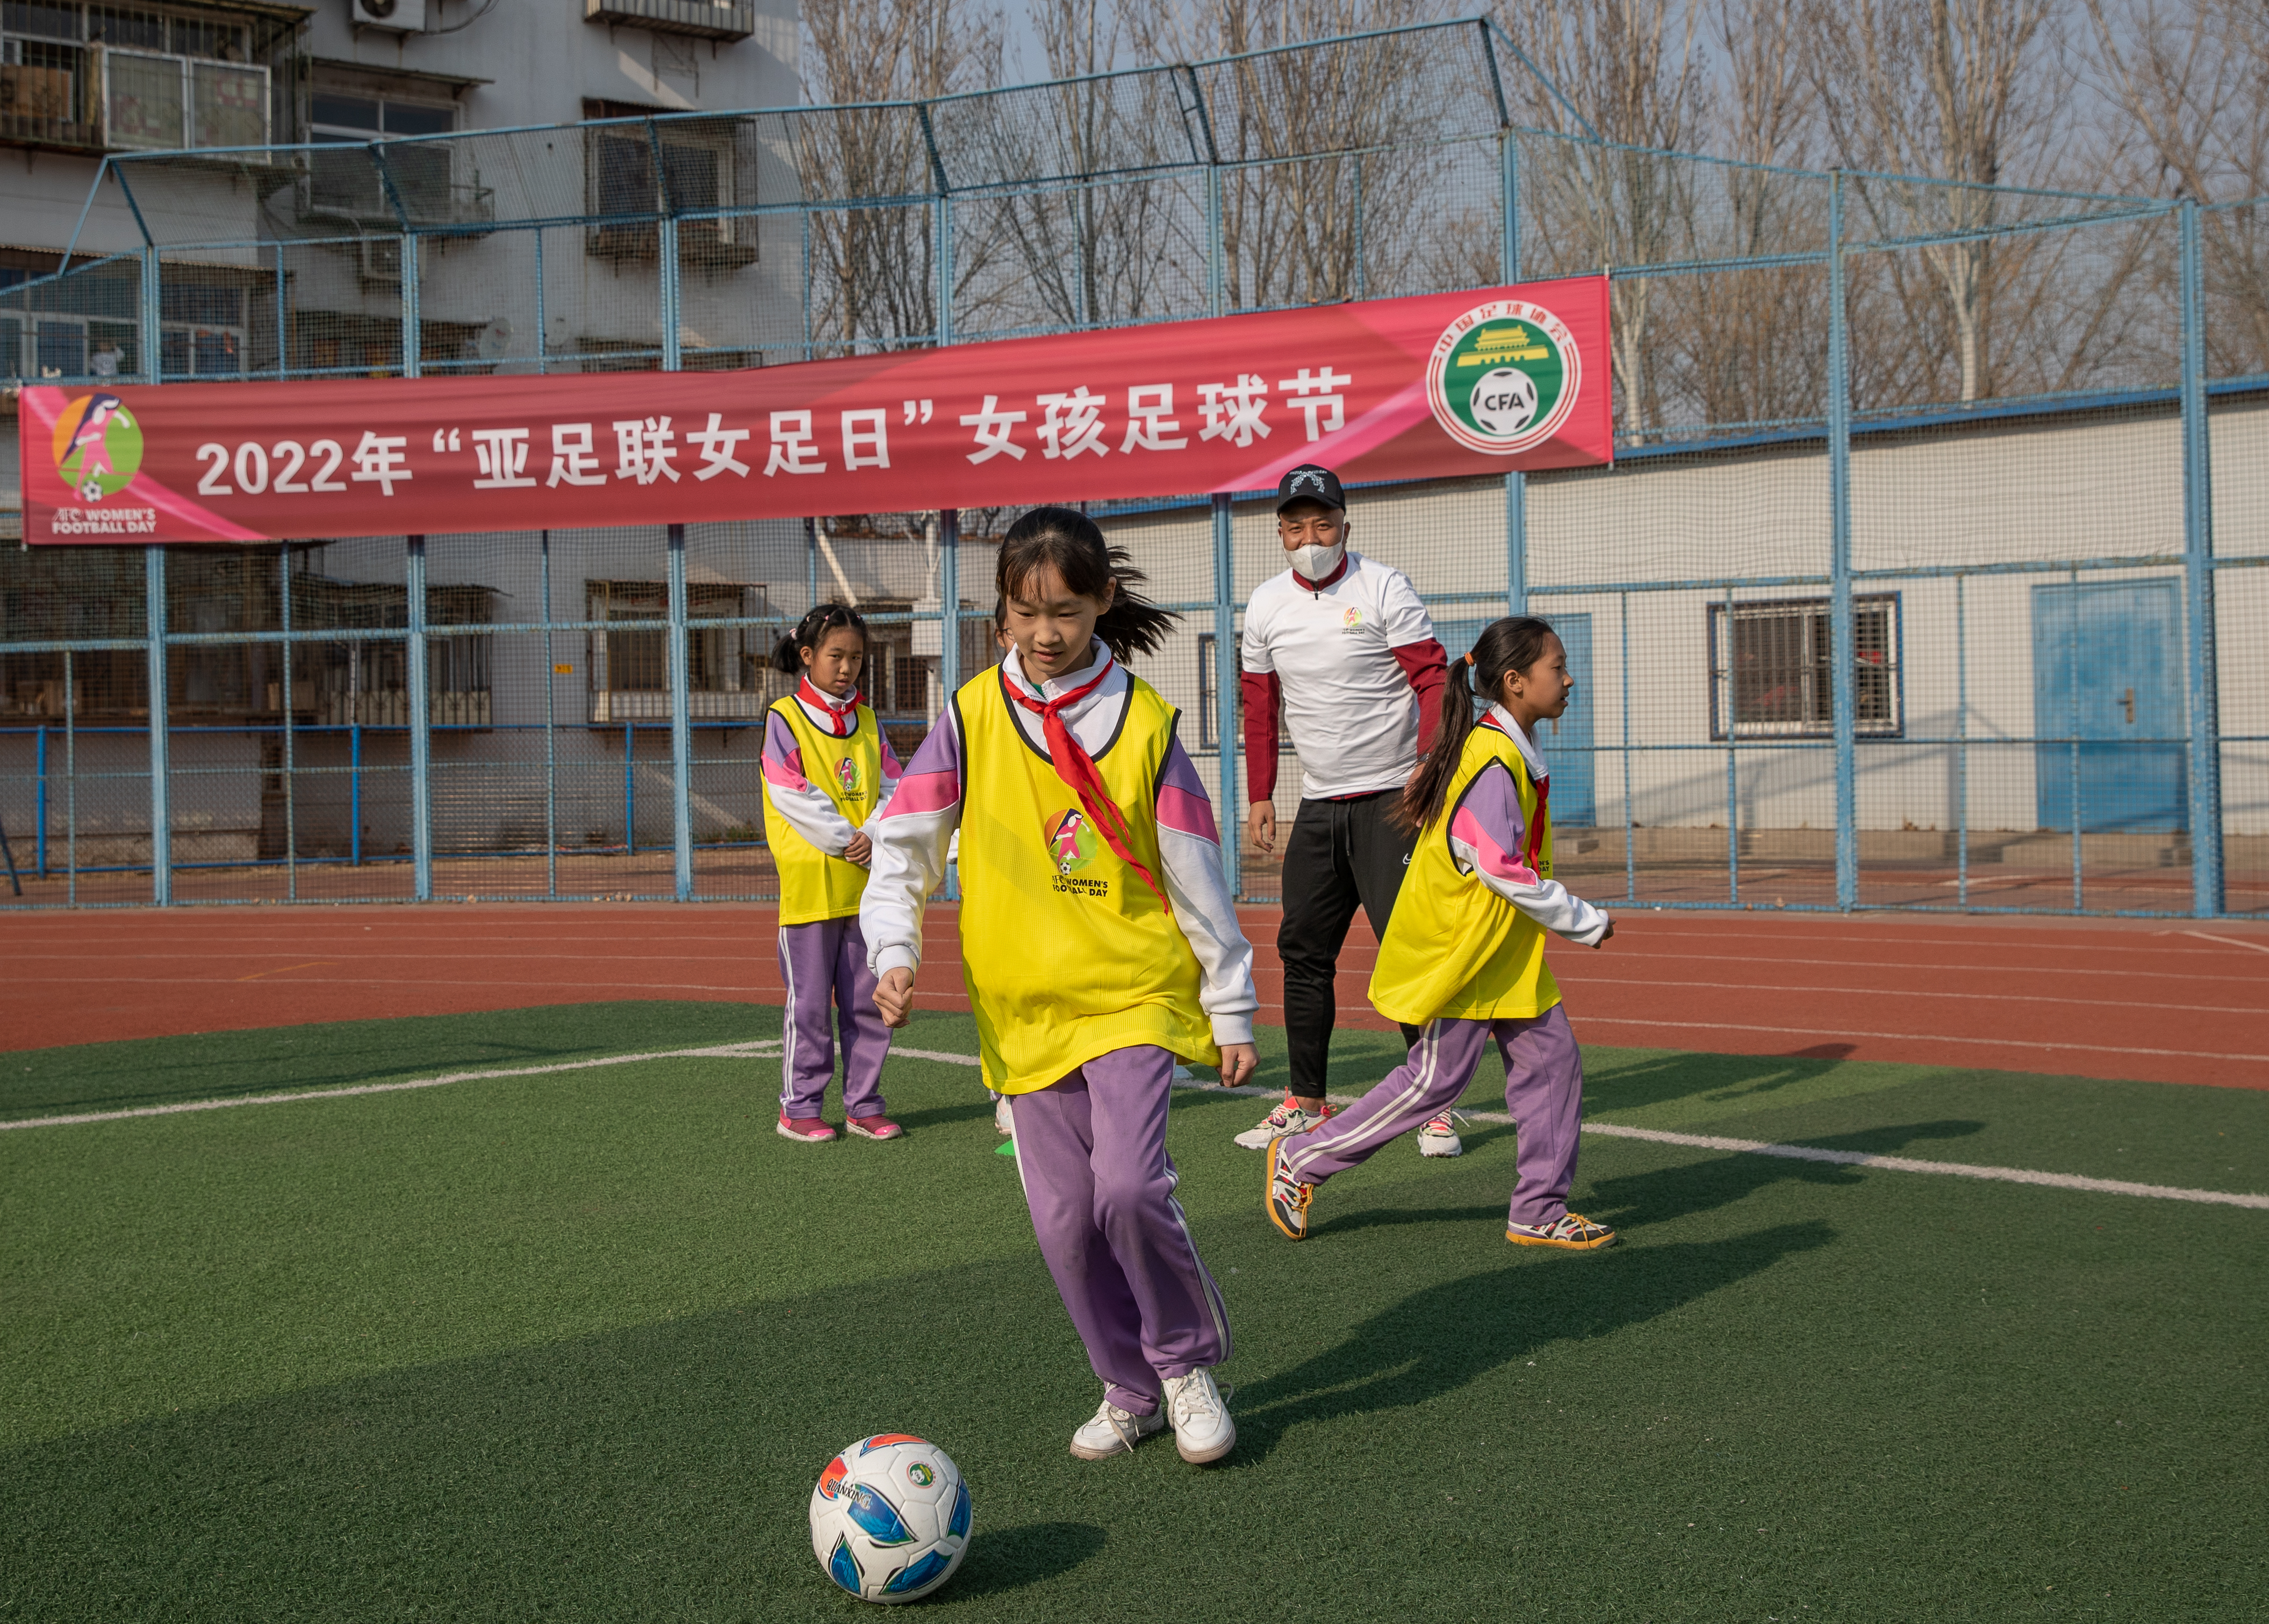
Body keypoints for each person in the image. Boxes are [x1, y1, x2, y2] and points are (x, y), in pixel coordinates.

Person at [864, 506, 1259, 1465]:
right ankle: (1126, 1385)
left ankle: (1182, 1362)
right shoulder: (966, 715)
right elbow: (905, 843)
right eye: (1026, 610)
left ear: (1102, 604)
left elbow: (1194, 865)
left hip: (1131, 993)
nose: (1046, 632)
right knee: (1064, 1224)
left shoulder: (1147, 722)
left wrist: (1230, 997)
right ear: (1000, 610)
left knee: (1127, 1188)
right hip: (1022, 1013)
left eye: (1068, 611)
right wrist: (894, 951)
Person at [1264, 615, 1620, 1251]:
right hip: (1460, 948)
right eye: (1557, 667)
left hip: (1499, 946)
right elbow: (1497, 865)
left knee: (1553, 1064)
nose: (1569, 679)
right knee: (1434, 1080)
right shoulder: (1490, 758)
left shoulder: (1506, 747)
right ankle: (1302, 1156)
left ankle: (1538, 1208)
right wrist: (1581, 919)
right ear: (1514, 682)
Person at [1233, 464, 1454, 1154]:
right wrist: (1261, 793)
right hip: (1319, 806)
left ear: (1344, 527)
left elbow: (1432, 679)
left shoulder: (1384, 586)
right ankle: (1305, 1101)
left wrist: (1427, 767)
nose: (1310, 538)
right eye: (1295, 527)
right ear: (1279, 533)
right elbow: (1260, 707)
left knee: (1408, 952)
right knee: (1301, 952)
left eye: (1322, 524)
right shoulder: (1266, 605)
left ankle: (1432, 1103)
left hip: (1392, 800)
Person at [763, 603, 903, 1143]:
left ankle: (863, 1102)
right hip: (810, 891)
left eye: (856, 658)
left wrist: (876, 832)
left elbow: (894, 787)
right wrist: (851, 839)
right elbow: (791, 792)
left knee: (868, 1004)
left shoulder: (868, 721)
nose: (846, 668)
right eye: (836, 656)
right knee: (811, 1008)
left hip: (865, 889)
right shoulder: (785, 718)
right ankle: (799, 1107)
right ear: (808, 656)